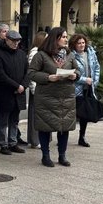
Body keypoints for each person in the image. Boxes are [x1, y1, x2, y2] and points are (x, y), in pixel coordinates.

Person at [28, 27, 80, 167]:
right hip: (47, 97)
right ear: (55, 38)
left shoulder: (69, 55)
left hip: (66, 97)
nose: (65, 39)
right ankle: (45, 156)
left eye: (65, 37)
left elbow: (78, 70)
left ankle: (62, 156)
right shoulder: (41, 55)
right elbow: (31, 73)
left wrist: (76, 75)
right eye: (63, 37)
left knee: (64, 127)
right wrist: (48, 77)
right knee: (45, 126)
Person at [0, 30, 28, 155]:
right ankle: (3, 144)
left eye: (18, 41)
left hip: (19, 92)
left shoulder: (22, 54)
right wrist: (16, 86)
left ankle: (13, 142)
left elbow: (27, 72)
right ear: (6, 40)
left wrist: (23, 85)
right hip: (5, 92)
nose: (16, 43)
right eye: (13, 41)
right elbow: (0, 74)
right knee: (3, 120)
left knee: (14, 120)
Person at [70, 33, 101, 148]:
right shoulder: (71, 56)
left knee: (85, 114)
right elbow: (71, 74)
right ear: (74, 44)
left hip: (88, 89)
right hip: (75, 89)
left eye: (83, 42)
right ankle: (62, 135)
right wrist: (84, 80)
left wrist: (94, 81)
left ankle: (82, 137)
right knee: (71, 114)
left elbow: (97, 67)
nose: (82, 45)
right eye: (79, 43)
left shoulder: (91, 53)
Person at [27, 31, 47, 150]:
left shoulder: (45, 52)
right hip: (37, 88)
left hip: (44, 88)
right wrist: (34, 89)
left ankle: (42, 138)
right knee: (35, 115)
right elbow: (32, 72)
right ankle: (35, 140)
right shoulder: (34, 52)